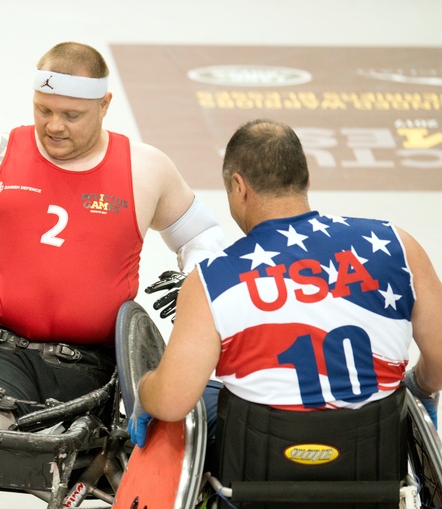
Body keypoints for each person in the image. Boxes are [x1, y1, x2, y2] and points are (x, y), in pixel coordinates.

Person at [0, 41, 225, 428]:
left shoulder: (146, 169)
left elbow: (202, 236)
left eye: (71, 115)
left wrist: (194, 277)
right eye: (44, 110)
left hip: (91, 363)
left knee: (69, 459)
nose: (54, 126)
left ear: (105, 105)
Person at [130, 119, 442, 449]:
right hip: (375, 464)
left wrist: (145, 388)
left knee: (196, 397)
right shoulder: (397, 244)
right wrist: (419, 388)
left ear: (239, 187)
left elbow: (171, 401)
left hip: (258, 477)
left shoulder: (212, 277)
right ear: (306, 178)